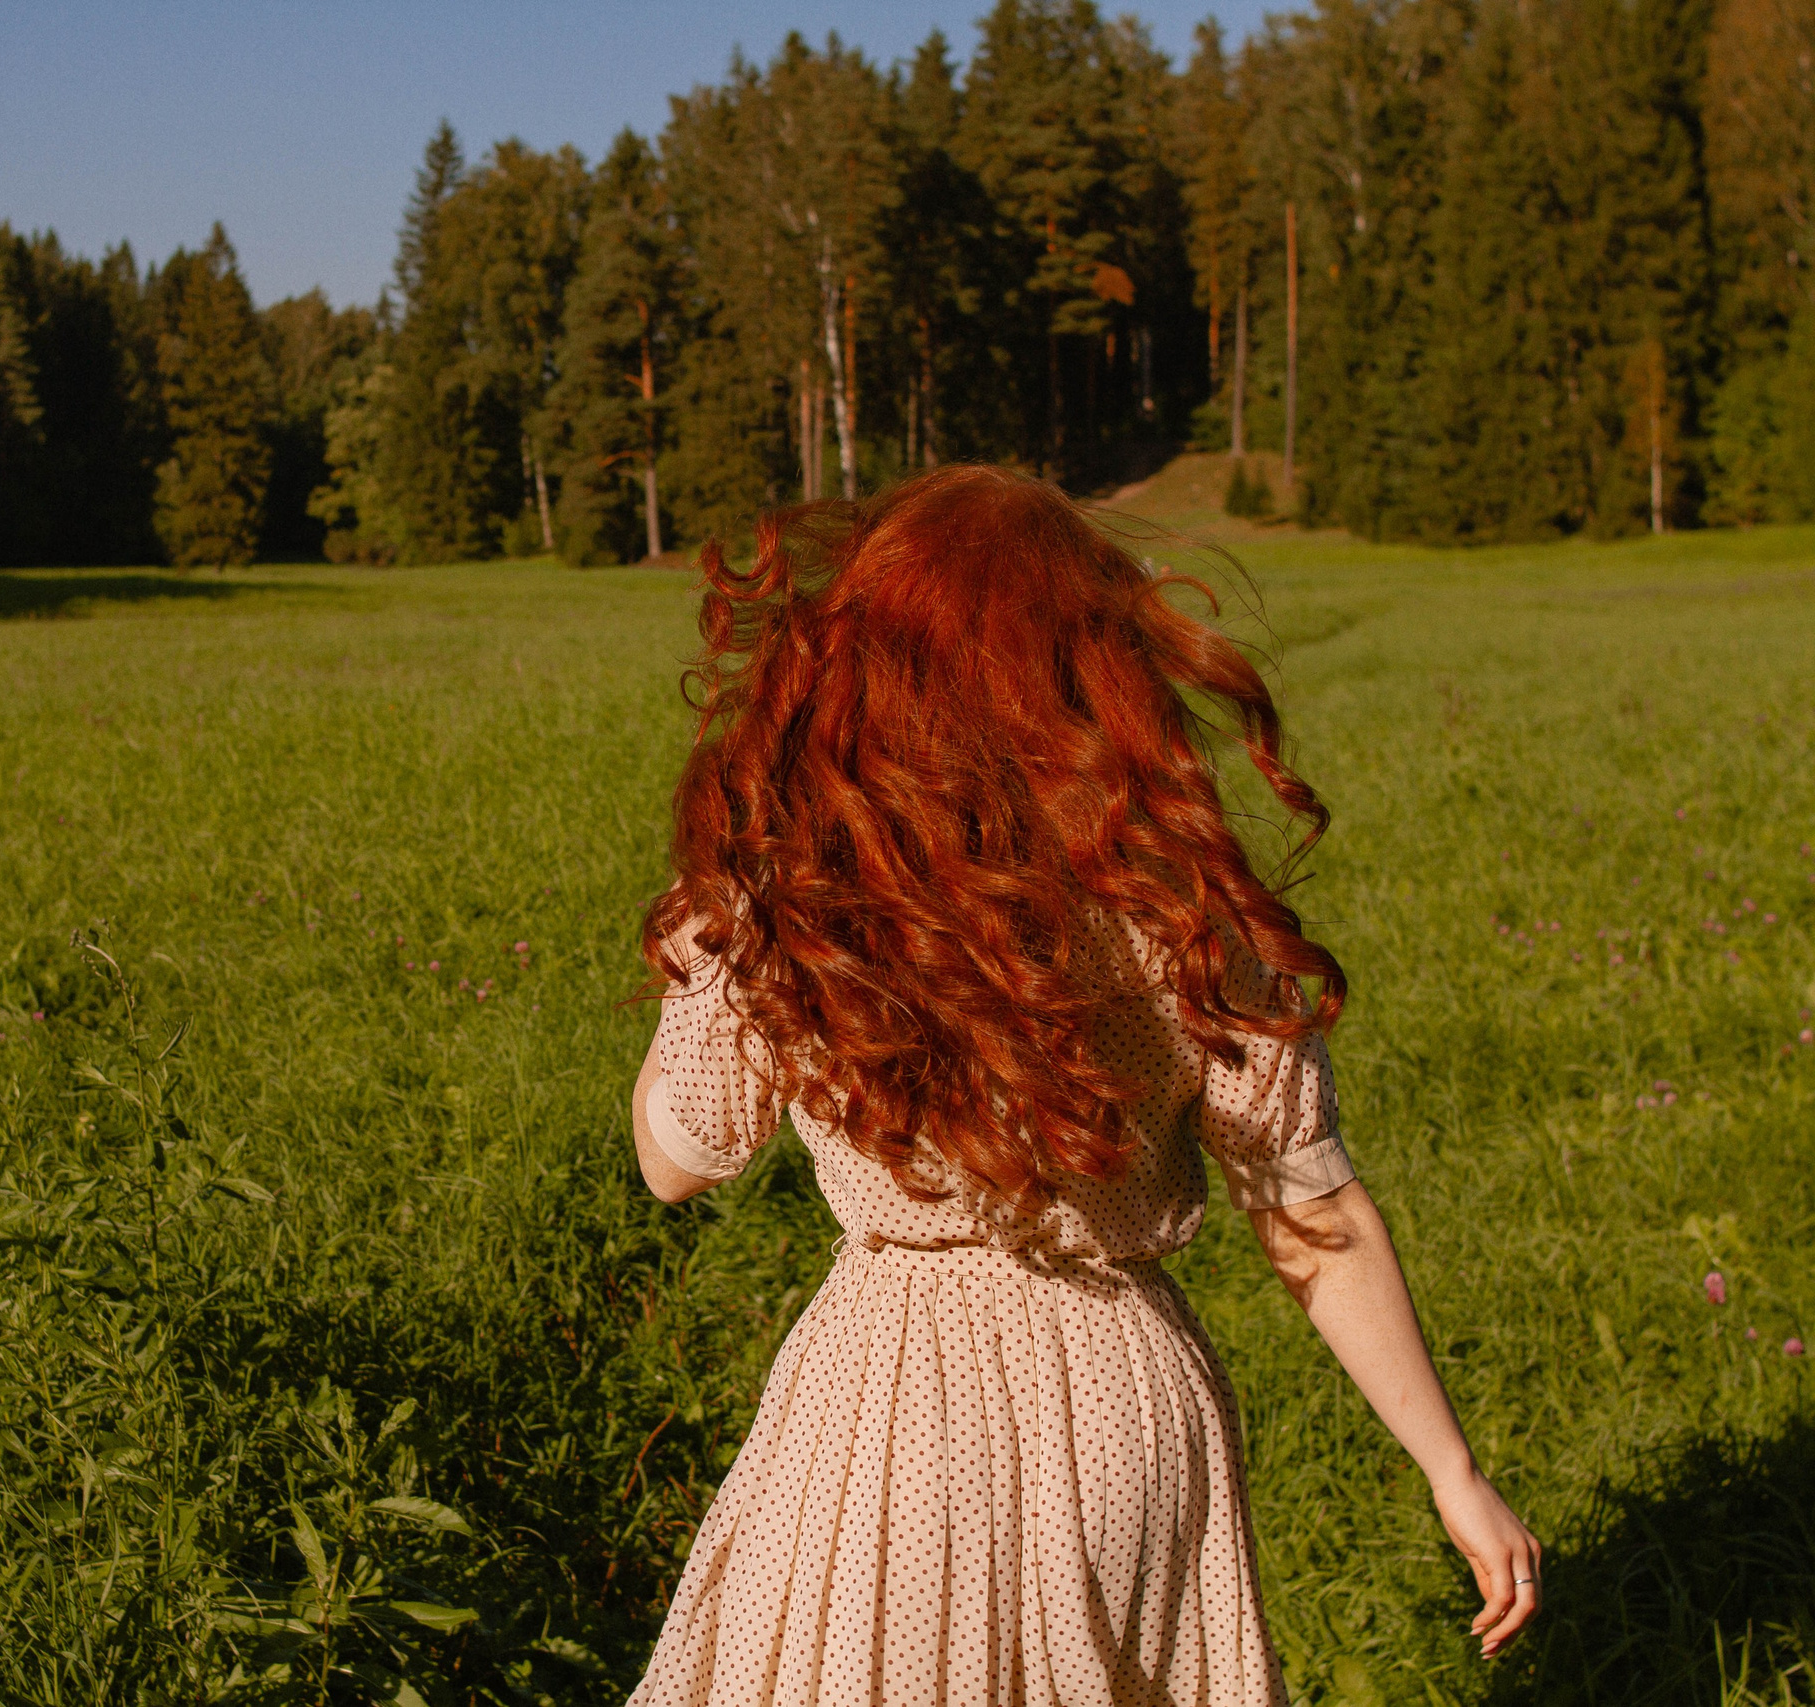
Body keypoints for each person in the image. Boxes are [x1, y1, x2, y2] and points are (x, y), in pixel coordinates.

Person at [623, 468, 1538, 1706]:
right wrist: (1451, 1471)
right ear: (1097, 661)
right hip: (1127, 1411)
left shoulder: (798, 894)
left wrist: (704, 963)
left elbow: (678, 1163)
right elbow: (1313, 1213)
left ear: (859, 658)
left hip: (892, 1418)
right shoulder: (1179, 904)